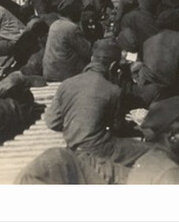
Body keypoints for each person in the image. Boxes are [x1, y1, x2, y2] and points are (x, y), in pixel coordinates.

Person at [45, 38, 151, 166]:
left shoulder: (66, 84)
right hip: (99, 150)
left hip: (72, 148)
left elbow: (52, 122)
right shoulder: (113, 90)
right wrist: (137, 126)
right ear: (112, 66)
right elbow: (118, 129)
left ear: (91, 60)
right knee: (151, 150)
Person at [42, 6, 95, 82]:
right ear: (74, 15)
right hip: (66, 74)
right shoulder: (72, 27)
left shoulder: (55, 24)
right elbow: (87, 51)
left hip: (50, 71)